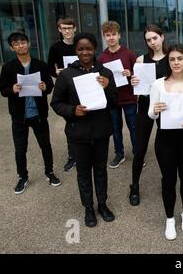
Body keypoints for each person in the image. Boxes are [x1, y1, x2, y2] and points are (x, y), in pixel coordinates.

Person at [51, 33, 117, 228]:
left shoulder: (105, 72)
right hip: (77, 133)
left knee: (100, 170)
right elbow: (56, 103)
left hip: (101, 131)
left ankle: (102, 205)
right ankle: (88, 207)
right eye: (80, 49)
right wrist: (72, 110)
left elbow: (114, 102)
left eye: (88, 48)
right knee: (83, 173)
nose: (85, 52)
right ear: (76, 51)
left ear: (94, 48)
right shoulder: (66, 75)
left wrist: (107, 88)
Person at [148, 44, 183, 240]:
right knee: (168, 179)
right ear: (168, 62)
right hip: (165, 140)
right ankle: (170, 219)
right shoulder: (158, 84)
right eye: (172, 59)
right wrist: (156, 109)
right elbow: (150, 114)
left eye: (180, 58)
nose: (176, 62)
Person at [0, 32, 61, 194]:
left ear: (28, 43)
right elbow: (3, 91)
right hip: (19, 116)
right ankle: (23, 177)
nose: (21, 45)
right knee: (20, 148)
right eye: (16, 44)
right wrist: (11, 89)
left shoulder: (40, 65)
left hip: (39, 114)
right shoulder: (8, 67)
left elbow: (49, 85)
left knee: (45, 145)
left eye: (23, 42)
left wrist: (44, 87)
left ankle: (49, 172)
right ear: (12, 47)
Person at [128, 24, 169, 206]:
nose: (152, 42)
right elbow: (136, 85)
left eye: (155, 38)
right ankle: (134, 186)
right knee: (140, 148)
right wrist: (133, 81)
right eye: (148, 40)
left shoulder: (171, 59)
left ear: (162, 37)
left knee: (165, 147)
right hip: (145, 105)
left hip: (165, 107)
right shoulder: (140, 60)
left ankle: (166, 182)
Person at [98, 21, 137, 169]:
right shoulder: (101, 58)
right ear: (104, 37)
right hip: (112, 99)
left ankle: (136, 153)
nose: (111, 38)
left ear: (119, 35)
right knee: (115, 128)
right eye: (108, 35)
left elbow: (138, 75)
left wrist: (131, 73)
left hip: (129, 98)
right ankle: (119, 154)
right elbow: (99, 79)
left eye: (114, 34)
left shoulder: (129, 54)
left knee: (133, 127)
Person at [47, 17, 78, 172]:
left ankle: (83, 152)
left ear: (75, 29)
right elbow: (49, 69)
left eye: (70, 28)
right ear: (59, 29)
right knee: (70, 123)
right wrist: (56, 72)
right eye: (64, 28)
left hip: (81, 87)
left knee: (84, 119)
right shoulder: (55, 48)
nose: (67, 31)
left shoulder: (80, 43)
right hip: (65, 89)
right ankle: (72, 156)